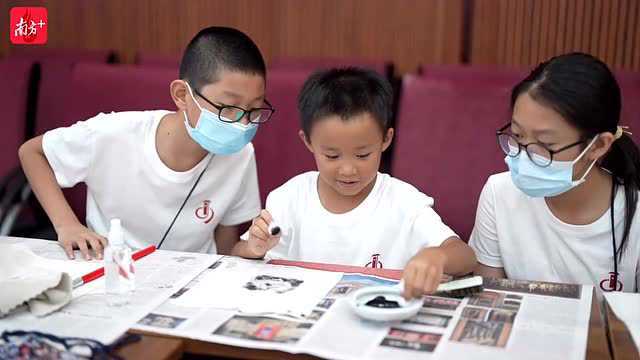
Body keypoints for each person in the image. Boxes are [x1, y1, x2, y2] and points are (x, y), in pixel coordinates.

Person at [19, 27, 273, 259]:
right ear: (182, 95)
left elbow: (225, 247)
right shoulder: (113, 133)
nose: (242, 124)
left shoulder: (240, 155)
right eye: (228, 108)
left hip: (191, 283)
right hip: (111, 270)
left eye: (253, 110)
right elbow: (32, 152)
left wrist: (251, 249)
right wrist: (67, 225)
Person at [232, 67, 476, 299]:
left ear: (385, 139)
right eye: (332, 156)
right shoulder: (289, 199)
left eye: (362, 155)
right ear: (308, 142)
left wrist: (438, 256)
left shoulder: (403, 202)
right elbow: (237, 257)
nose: (348, 170)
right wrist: (254, 248)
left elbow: (465, 256)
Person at [471, 53, 640, 292]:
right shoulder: (499, 194)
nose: (524, 155)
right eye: (518, 136)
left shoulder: (634, 216)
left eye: (546, 145)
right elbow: (488, 298)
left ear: (599, 145)